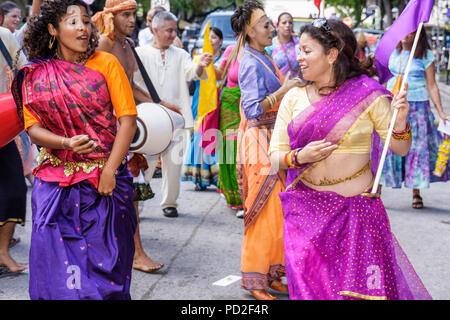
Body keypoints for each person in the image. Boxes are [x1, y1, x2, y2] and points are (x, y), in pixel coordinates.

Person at [269, 18, 431, 300]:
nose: (300, 57)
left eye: (307, 50)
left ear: (331, 55)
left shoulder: (368, 94)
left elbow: (401, 149)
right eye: (299, 50)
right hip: (305, 218)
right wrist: (299, 156)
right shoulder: (293, 97)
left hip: (359, 218)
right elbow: (274, 157)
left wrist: (401, 122)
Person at [12, 0, 138, 299]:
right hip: (53, 185)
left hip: (103, 184)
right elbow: (34, 129)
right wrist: (66, 142)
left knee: (106, 269)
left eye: (85, 20)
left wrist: (109, 171)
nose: (82, 27)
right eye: (72, 21)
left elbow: (128, 121)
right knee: (56, 268)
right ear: (54, 29)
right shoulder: (37, 73)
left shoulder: (105, 63)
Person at [232, 1, 302, 300]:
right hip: (259, 141)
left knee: (276, 213)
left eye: (270, 23)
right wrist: (283, 92)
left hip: (272, 139)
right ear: (249, 32)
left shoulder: (262, 55)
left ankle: (272, 274)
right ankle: (255, 280)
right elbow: (251, 109)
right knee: (262, 212)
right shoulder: (248, 61)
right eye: (265, 25)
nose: (271, 28)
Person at [93, 0, 164, 273]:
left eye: (134, 14)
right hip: (107, 128)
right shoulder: (104, 43)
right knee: (121, 192)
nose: (132, 20)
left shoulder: (127, 45)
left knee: (128, 192)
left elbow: (130, 86)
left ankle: (131, 252)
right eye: (126, 15)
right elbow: (92, 86)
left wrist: (157, 105)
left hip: (125, 126)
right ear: (111, 17)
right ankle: (133, 253)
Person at [133, 11, 212, 218]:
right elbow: (130, 83)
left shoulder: (181, 54)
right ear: (155, 30)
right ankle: (137, 203)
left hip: (176, 118)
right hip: (149, 119)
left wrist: (200, 65)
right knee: (146, 163)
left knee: (173, 164)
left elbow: (191, 71)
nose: (172, 35)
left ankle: (170, 202)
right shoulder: (140, 54)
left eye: (174, 31)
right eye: (169, 31)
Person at [381, 29, 450, 209]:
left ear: (418, 35)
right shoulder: (392, 52)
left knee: (417, 149)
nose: (407, 35)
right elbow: (383, 78)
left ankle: (416, 192)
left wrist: (441, 111)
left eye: (412, 32)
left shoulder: (426, 56)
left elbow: (432, 84)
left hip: (418, 107)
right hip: (393, 103)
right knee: (387, 145)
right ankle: (378, 188)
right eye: (405, 31)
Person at [0, 22, 27, 274]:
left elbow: (24, 71)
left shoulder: (5, 36)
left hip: (3, 123)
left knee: (15, 189)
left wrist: (13, 89)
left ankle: (2, 251)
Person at [181, 27, 223, 191]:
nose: (211, 40)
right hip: (200, 102)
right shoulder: (198, 58)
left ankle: (216, 177)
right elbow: (190, 78)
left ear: (219, 40)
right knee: (199, 137)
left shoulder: (223, 59)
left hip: (217, 102)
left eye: (214, 37)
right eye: (209, 37)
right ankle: (199, 177)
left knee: (214, 137)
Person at [215, 44, 244, 217]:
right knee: (229, 151)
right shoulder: (231, 50)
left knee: (247, 152)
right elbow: (220, 74)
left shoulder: (263, 52)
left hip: (250, 104)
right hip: (229, 104)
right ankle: (235, 197)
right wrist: (207, 65)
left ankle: (246, 197)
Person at [266, 12, 300, 78]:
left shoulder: (299, 44)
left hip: (298, 85)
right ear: (278, 25)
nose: (287, 25)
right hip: (278, 85)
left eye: (290, 23)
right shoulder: (270, 45)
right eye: (284, 23)